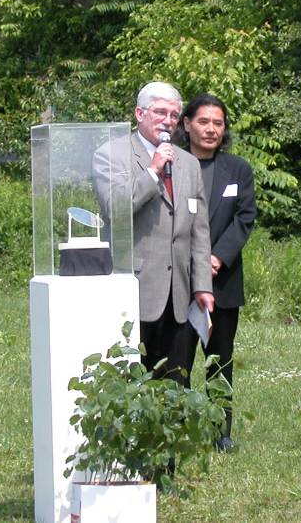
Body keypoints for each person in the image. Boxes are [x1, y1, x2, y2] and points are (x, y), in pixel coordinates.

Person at [91, 81, 214, 387]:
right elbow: (115, 210)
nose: (168, 121)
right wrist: (152, 171)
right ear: (139, 113)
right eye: (160, 112)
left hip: (180, 293)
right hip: (135, 287)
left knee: (175, 382)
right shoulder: (112, 155)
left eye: (174, 114)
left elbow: (199, 231)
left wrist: (203, 285)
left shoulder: (188, 163)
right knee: (135, 381)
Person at [174, 93, 257, 451]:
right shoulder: (172, 163)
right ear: (187, 124)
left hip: (221, 280)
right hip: (177, 279)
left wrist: (216, 258)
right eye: (204, 121)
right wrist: (192, 261)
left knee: (220, 357)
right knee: (177, 358)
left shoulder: (237, 169)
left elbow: (245, 217)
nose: (211, 129)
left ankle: (220, 431)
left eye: (218, 123)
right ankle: (175, 426)